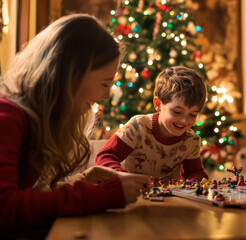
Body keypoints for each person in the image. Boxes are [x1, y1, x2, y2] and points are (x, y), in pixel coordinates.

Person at [0, 14, 150, 237]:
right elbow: (5, 209)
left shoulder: (35, 121)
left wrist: (85, 178)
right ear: (71, 74)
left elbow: (31, 196)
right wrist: (101, 196)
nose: (107, 96)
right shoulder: (7, 117)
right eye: (104, 83)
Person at [96, 66, 209, 184]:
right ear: (158, 104)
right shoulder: (138, 126)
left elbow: (195, 172)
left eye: (192, 114)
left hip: (170, 198)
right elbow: (106, 155)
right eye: (177, 112)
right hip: (134, 195)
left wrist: (196, 182)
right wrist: (122, 177)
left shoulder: (191, 140)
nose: (184, 121)